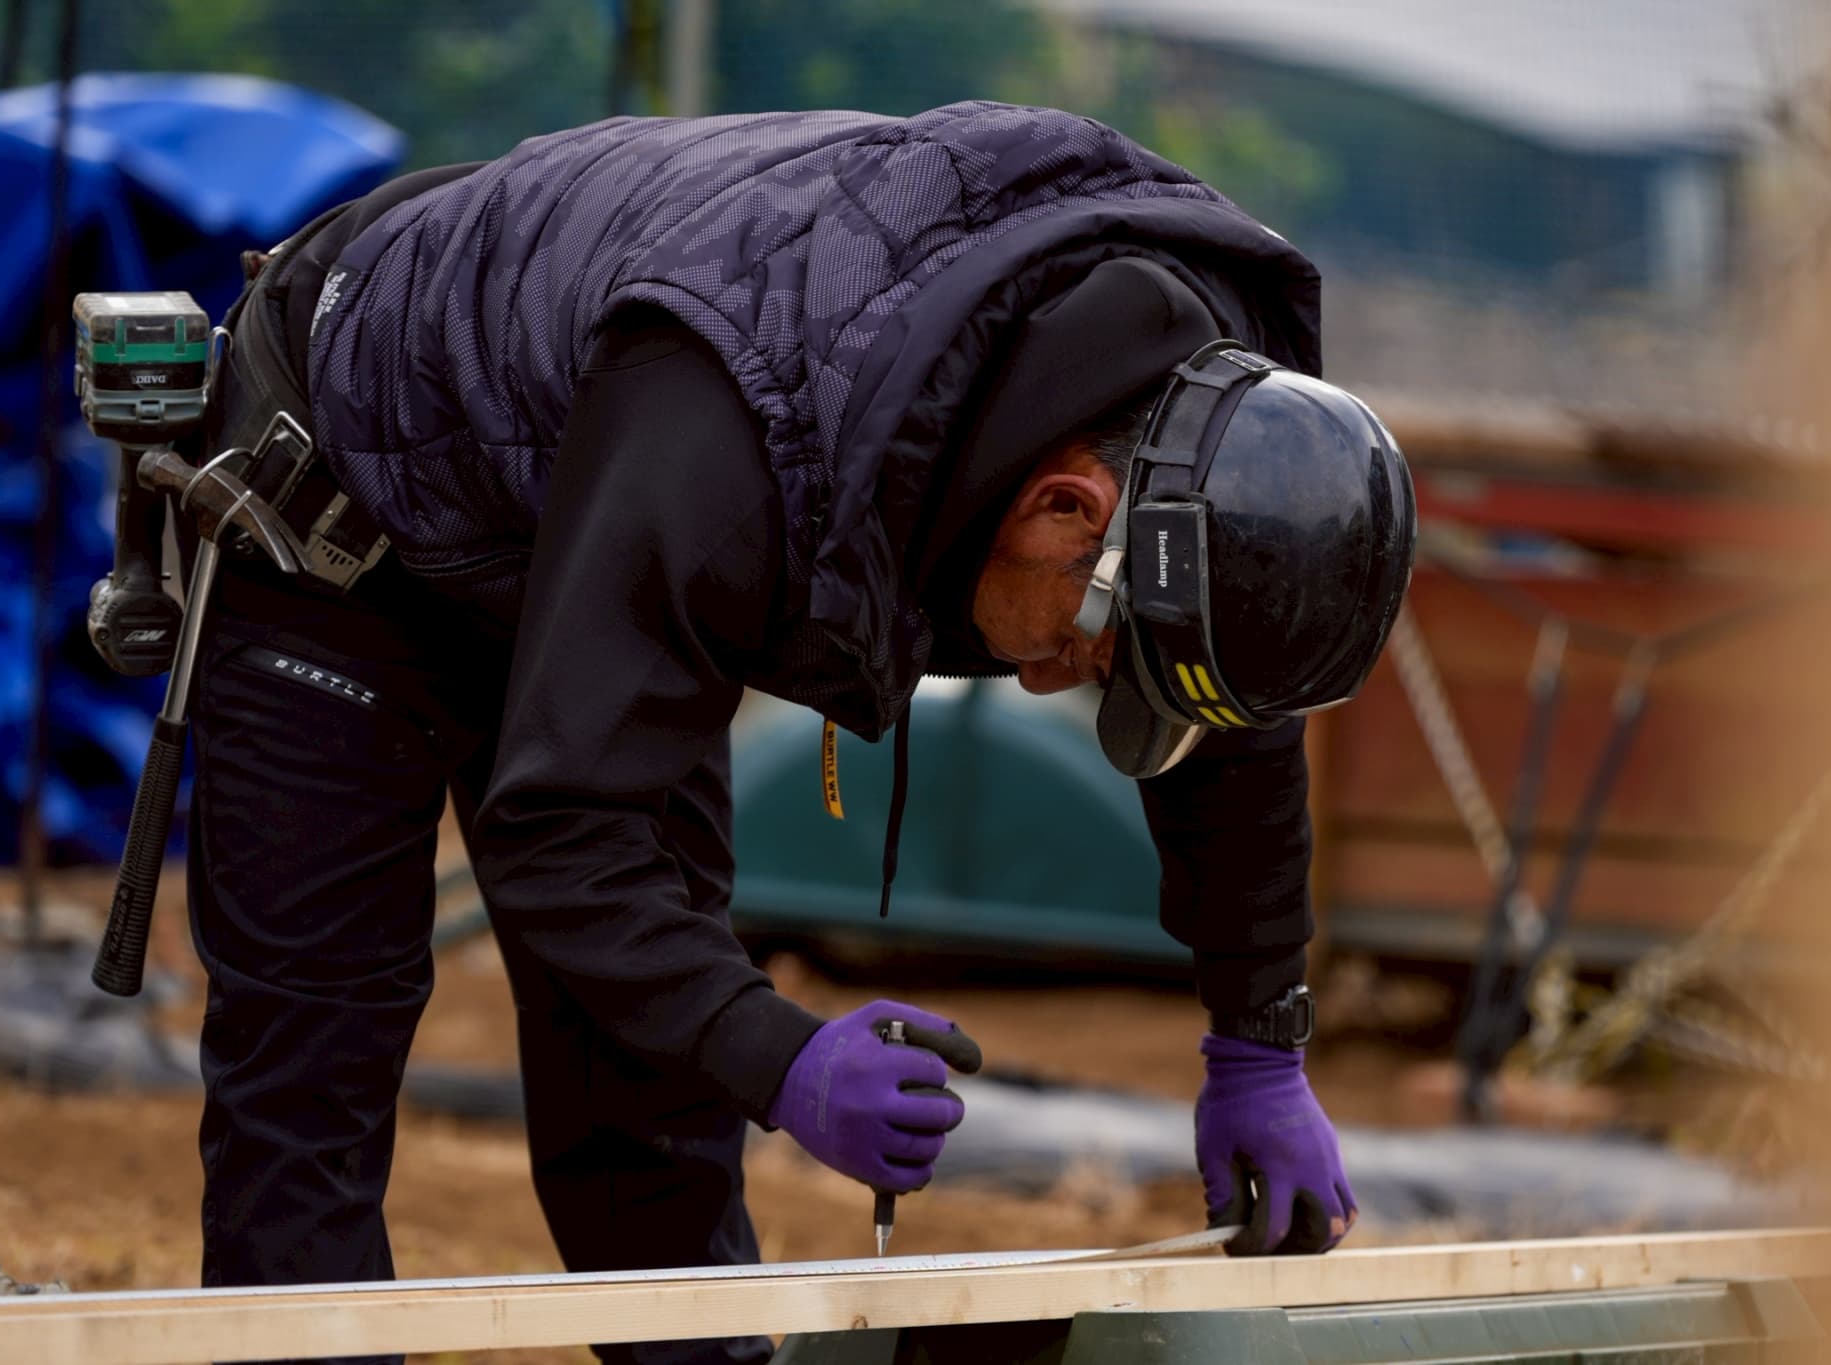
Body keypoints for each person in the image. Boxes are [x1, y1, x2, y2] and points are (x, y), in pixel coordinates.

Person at [183, 100, 1415, 1365]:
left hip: (596, 485)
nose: (1057, 685)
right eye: (1088, 649)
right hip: (346, 505)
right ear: (1061, 505)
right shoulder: (733, 437)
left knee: (647, 1065)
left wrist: (1257, 1037)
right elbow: (563, 836)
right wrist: (779, 1057)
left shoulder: (1213, 441)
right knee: (313, 1058)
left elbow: (1222, 706)